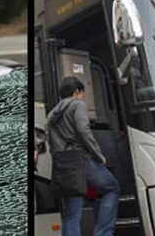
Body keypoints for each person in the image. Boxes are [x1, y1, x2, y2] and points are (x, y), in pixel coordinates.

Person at [47, 76, 119, 236]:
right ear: (76, 91)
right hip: (80, 159)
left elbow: (50, 141)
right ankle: (103, 233)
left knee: (71, 214)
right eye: (81, 93)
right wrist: (98, 154)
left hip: (62, 163)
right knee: (111, 189)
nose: (81, 97)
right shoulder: (78, 105)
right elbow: (83, 130)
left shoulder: (52, 114)